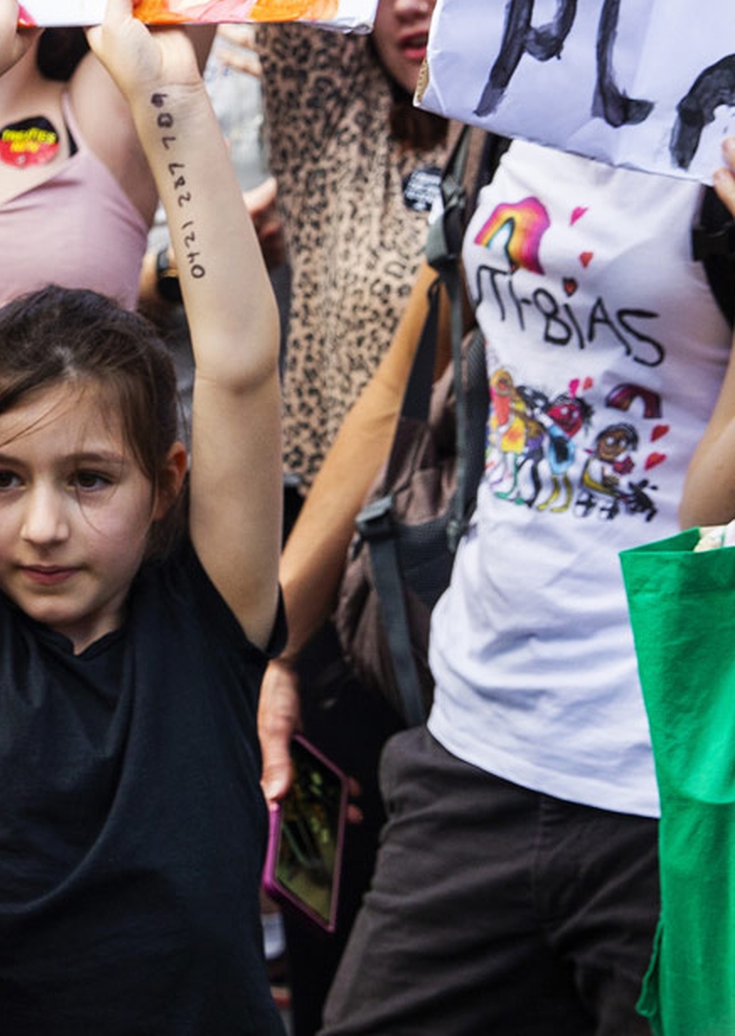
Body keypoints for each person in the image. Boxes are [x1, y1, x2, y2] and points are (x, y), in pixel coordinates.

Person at [0, 0, 284, 1033]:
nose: (42, 525)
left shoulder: (210, 617)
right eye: (2, 480)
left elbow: (236, 360)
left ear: (167, 479)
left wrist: (168, 92)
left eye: (91, 479)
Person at [269, 126, 735, 1032]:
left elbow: (708, 511)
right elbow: (400, 391)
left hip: (677, 785)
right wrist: (269, 650)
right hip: (471, 754)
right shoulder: (517, 101)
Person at [251, 0, 467, 1034]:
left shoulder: (534, 150)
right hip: (323, 575)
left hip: (464, 577)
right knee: (334, 920)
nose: (407, 1)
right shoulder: (336, 124)